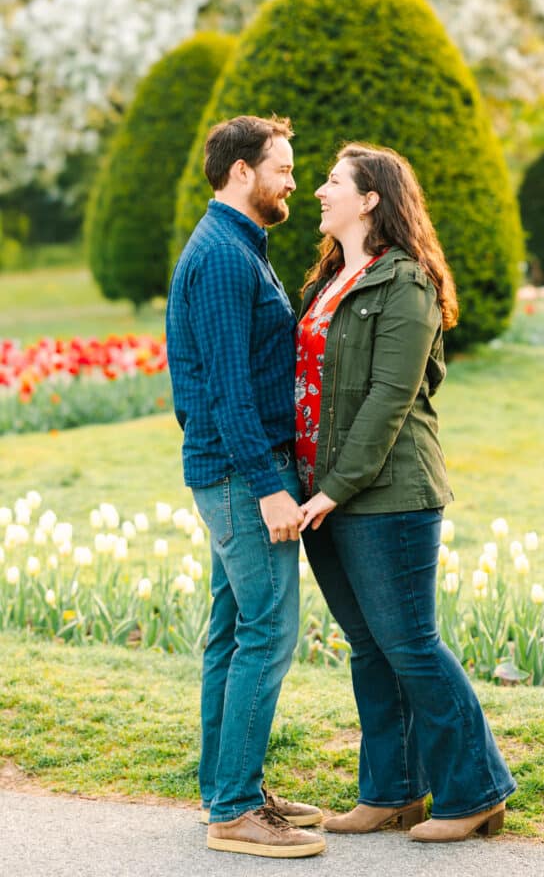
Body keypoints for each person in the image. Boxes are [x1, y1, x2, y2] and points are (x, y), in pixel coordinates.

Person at [296, 142, 517, 843]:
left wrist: (332, 488)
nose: (319, 192)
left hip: (386, 494)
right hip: (323, 493)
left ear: (369, 199)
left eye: (333, 182)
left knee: (409, 645)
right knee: (369, 647)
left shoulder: (405, 283)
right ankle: (392, 793)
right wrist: (313, 488)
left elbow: (390, 398)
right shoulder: (330, 276)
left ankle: (476, 791)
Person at [166, 115, 325, 859]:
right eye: (282, 168)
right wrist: (268, 485)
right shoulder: (226, 259)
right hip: (240, 476)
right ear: (241, 172)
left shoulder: (234, 246)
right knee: (266, 634)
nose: (292, 181)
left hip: (228, 473)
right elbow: (227, 391)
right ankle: (232, 811)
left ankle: (229, 786)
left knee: (232, 636)